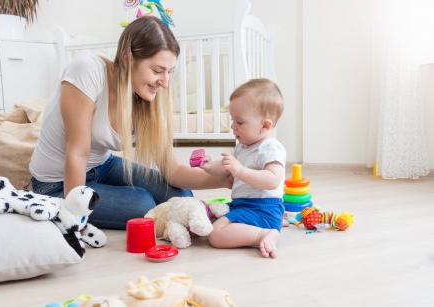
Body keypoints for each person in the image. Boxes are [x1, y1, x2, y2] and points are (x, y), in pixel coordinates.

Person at [28, 16, 229, 230]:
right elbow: (77, 153)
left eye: (169, 72)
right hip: (55, 183)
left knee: (181, 195)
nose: (165, 82)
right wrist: (74, 216)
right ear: (127, 59)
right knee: (142, 204)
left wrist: (226, 180)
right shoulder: (87, 71)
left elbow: (174, 171)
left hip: (101, 167)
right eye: (157, 71)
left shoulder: (146, 98)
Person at [201, 78, 286, 258]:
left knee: (215, 234)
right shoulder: (244, 146)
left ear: (265, 125)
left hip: (262, 208)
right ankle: (258, 229)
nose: (233, 126)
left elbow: (272, 180)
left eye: (240, 122)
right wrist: (209, 166)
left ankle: (263, 234)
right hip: (244, 205)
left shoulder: (270, 148)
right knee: (207, 217)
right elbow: (226, 169)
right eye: (233, 120)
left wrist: (240, 170)